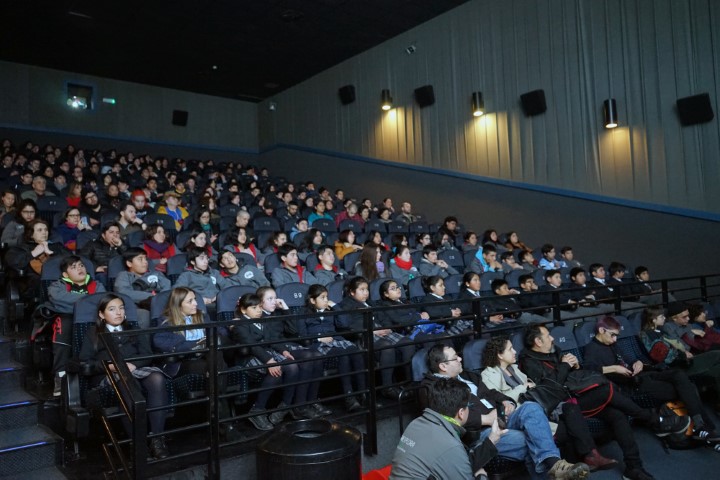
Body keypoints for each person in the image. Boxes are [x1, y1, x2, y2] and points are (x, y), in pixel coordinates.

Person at [519, 323, 689, 480]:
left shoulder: (553, 351)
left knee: (617, 414)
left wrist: (574, 365)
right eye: (548, 336)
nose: (552, 338)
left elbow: (573, 375)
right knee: (607, 389)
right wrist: (565, 365)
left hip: (577, 395)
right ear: (538, 341)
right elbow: (549, 389)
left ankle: (634, 467)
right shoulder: (529, 361)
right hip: (562, 405)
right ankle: (654, 420)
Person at [422, 344, 590, 480]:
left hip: (501, 418)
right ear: (443, 366)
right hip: (480, 433)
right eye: (455, 358)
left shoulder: (468, 376)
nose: (460, 359)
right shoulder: (431, 388)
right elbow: (446, 418)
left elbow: (490, 393)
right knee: (531, 439)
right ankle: (555, 467)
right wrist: (485, 419)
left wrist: (506, 401)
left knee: (530, 407)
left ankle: (555, 467)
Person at [480, 336, 617, 471]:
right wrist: (523, 387)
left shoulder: (514, 369)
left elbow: (534, 388)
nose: (515, 351)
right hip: (520, 413)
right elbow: (499, 400)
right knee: (566, 429)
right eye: (510, 349)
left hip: (538, 403)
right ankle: (576, 464)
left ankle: (591, 456)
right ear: (500, 355)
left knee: (570, 407)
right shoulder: (488, 374)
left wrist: (530, 386)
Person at [582, 316, 719, 441]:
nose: (615, 339)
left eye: (616, 336)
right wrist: (614, 368)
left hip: (642, 374)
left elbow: (629, 358)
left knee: (679, 375)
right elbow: (588, 370)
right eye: (612, 335)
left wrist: (638, 362)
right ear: (601, 330)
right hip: (632, 385)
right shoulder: (592, 349)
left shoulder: (612, 344)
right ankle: (702, 426)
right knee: (686, 387)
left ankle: (700, 425)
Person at [79, 294, 169, 459]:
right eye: (112, 309)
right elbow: (85, 362)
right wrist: (109, 366)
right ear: (101, 314)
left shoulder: (134, 329)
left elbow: (147, 354)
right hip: (109, 373)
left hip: (134, 369)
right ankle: (138, 444)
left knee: (157, 377)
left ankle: (157, 439)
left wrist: (134, 364)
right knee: (128, 383)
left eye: (121, 308)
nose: (118, 312)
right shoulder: (93, 333)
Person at [390, 377, 504, 480]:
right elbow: (452, 457)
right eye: (468, 406)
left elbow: (456, 461)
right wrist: (481, 476)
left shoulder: (416, 423)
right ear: (461, 413)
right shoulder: (450, 445)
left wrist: (491, 440)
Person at [227, 293, 302, 430]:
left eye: (260, 307)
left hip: (267, 354)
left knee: (292, 365)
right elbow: (252, 345)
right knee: (278, 369)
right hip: (248, 358)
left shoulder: (264, 320)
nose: (258, 310)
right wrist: (270, 361)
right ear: (243, 310)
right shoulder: (239, 325)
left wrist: (284, 351)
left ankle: (285, 406)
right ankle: (257, 410)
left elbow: (273, 339)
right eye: (254, 308)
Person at [256, 286, 330, 419]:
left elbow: (293, 331)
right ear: (260, 302)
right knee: (308, 357)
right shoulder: (258, 315)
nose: (274, 301)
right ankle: (299, 406)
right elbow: (269, 340)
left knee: (317, 355)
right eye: (270, 299)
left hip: (286, 345)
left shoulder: (278, 313)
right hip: (275, 349)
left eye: (275, 298)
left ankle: (311, 401)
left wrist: (285, 309)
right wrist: (283, 350)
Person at [336, 276, 414, 399]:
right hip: (366, 334)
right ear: (352, 292)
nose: (366, 292)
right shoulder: (345, 305)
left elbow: (384, 318)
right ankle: (387, 387)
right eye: (362, 290)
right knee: (387, 347)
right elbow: (349, 325)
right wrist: (373, 330)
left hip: (383, 331)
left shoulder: (371, 303)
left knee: (407, 343)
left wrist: (388, 328)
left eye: (367, 289)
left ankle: (408, 383)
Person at [299, 284, 366, 412]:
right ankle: (349, 397)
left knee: (355, 351)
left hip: (336, 340)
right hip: (319, 344)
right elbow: (302, 335)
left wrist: (335, 306)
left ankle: (363, 394)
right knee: (342, 354)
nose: (326, 300)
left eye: (327, 297)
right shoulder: (304, 313)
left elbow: (344, 324)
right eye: (322, 297)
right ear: (312, 300)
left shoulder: (330, 310)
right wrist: (318, 339)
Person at [46, 255, 107, 395]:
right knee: (63, 325)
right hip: (67, 319)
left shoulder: (97, 285)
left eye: (81, 265)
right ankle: (60, 379)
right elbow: (58, 302)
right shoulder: (58, 285)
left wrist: (75, 304)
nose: (80, 268)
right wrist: (89, 300)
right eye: (73, 267)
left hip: (93, 319)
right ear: (65, 274)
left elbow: (103, 301)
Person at [639, 305, 720, 404]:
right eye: (661, 316)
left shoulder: (659, 331)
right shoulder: (649, 334)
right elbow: (664, 355)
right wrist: (682, 353)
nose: (664, 318)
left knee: (717, 364)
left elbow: (676, 345)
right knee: (717, 356)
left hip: (683, 359)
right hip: (677, 365)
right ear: (653, 320)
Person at [113, 247, 171, 328]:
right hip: (138, 306)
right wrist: (152, 297)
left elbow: (167, 286)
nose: (145, 262)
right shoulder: (124, 275)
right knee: (144, 315)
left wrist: (159, 299)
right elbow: (124, 293)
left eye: (145, 259)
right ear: (129, 263)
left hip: (161, 303)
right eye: (140, 259)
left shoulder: (156, 274)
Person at [174, 246, 228, 319]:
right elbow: (178, 292)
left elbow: (227, 287)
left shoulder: (214, 273)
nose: (206, 261)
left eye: (207, 258)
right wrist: (198, 299)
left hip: (219, 304)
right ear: (193, 262)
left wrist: (218, 297)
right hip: (198, 307)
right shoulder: (187, 275)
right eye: (202, 258)